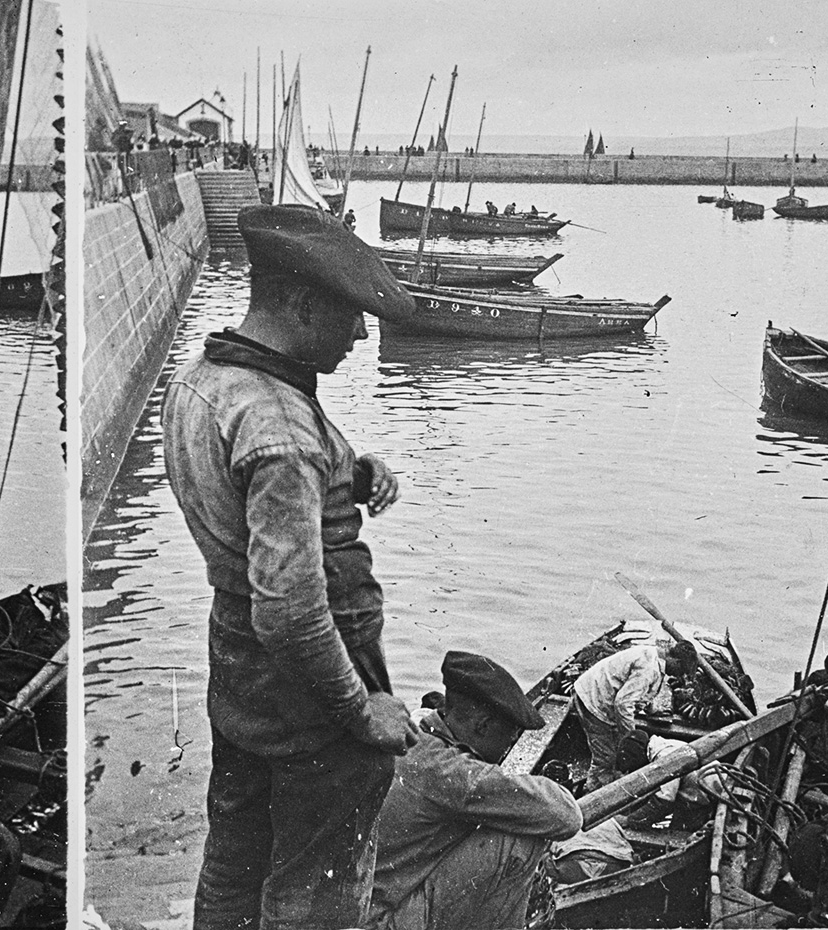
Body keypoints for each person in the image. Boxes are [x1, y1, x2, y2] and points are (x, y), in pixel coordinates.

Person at [164, 203, 419, 930]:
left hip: (241, 673)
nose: (362, 333)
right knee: (315, 893)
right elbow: (293, 607)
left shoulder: (205, 379)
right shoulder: (278, 429)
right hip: (309, 691)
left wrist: (349, 473)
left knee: (236, 863)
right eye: (351, 316)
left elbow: (246, 499)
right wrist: (359, 710)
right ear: (304, 305)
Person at [370, 652, 582, 930]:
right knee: (517, 839)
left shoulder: (413, 742)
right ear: (483, 725)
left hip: (358, 906)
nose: (508, 749)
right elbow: (567, 816)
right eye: (508, 739)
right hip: (380, 921)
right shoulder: (449, 771)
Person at [572, 639, 698, 791]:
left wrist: (650, 709)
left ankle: (603, 783)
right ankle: (594, 792)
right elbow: (623, 704)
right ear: (676, 661)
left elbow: (640, 688)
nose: (680, 677)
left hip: (601, 695)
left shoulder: (655, 656)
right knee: (607, 756)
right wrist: (631, 738)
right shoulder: (648, 669)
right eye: (682, 672)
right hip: (593, 701)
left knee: (614, 749)